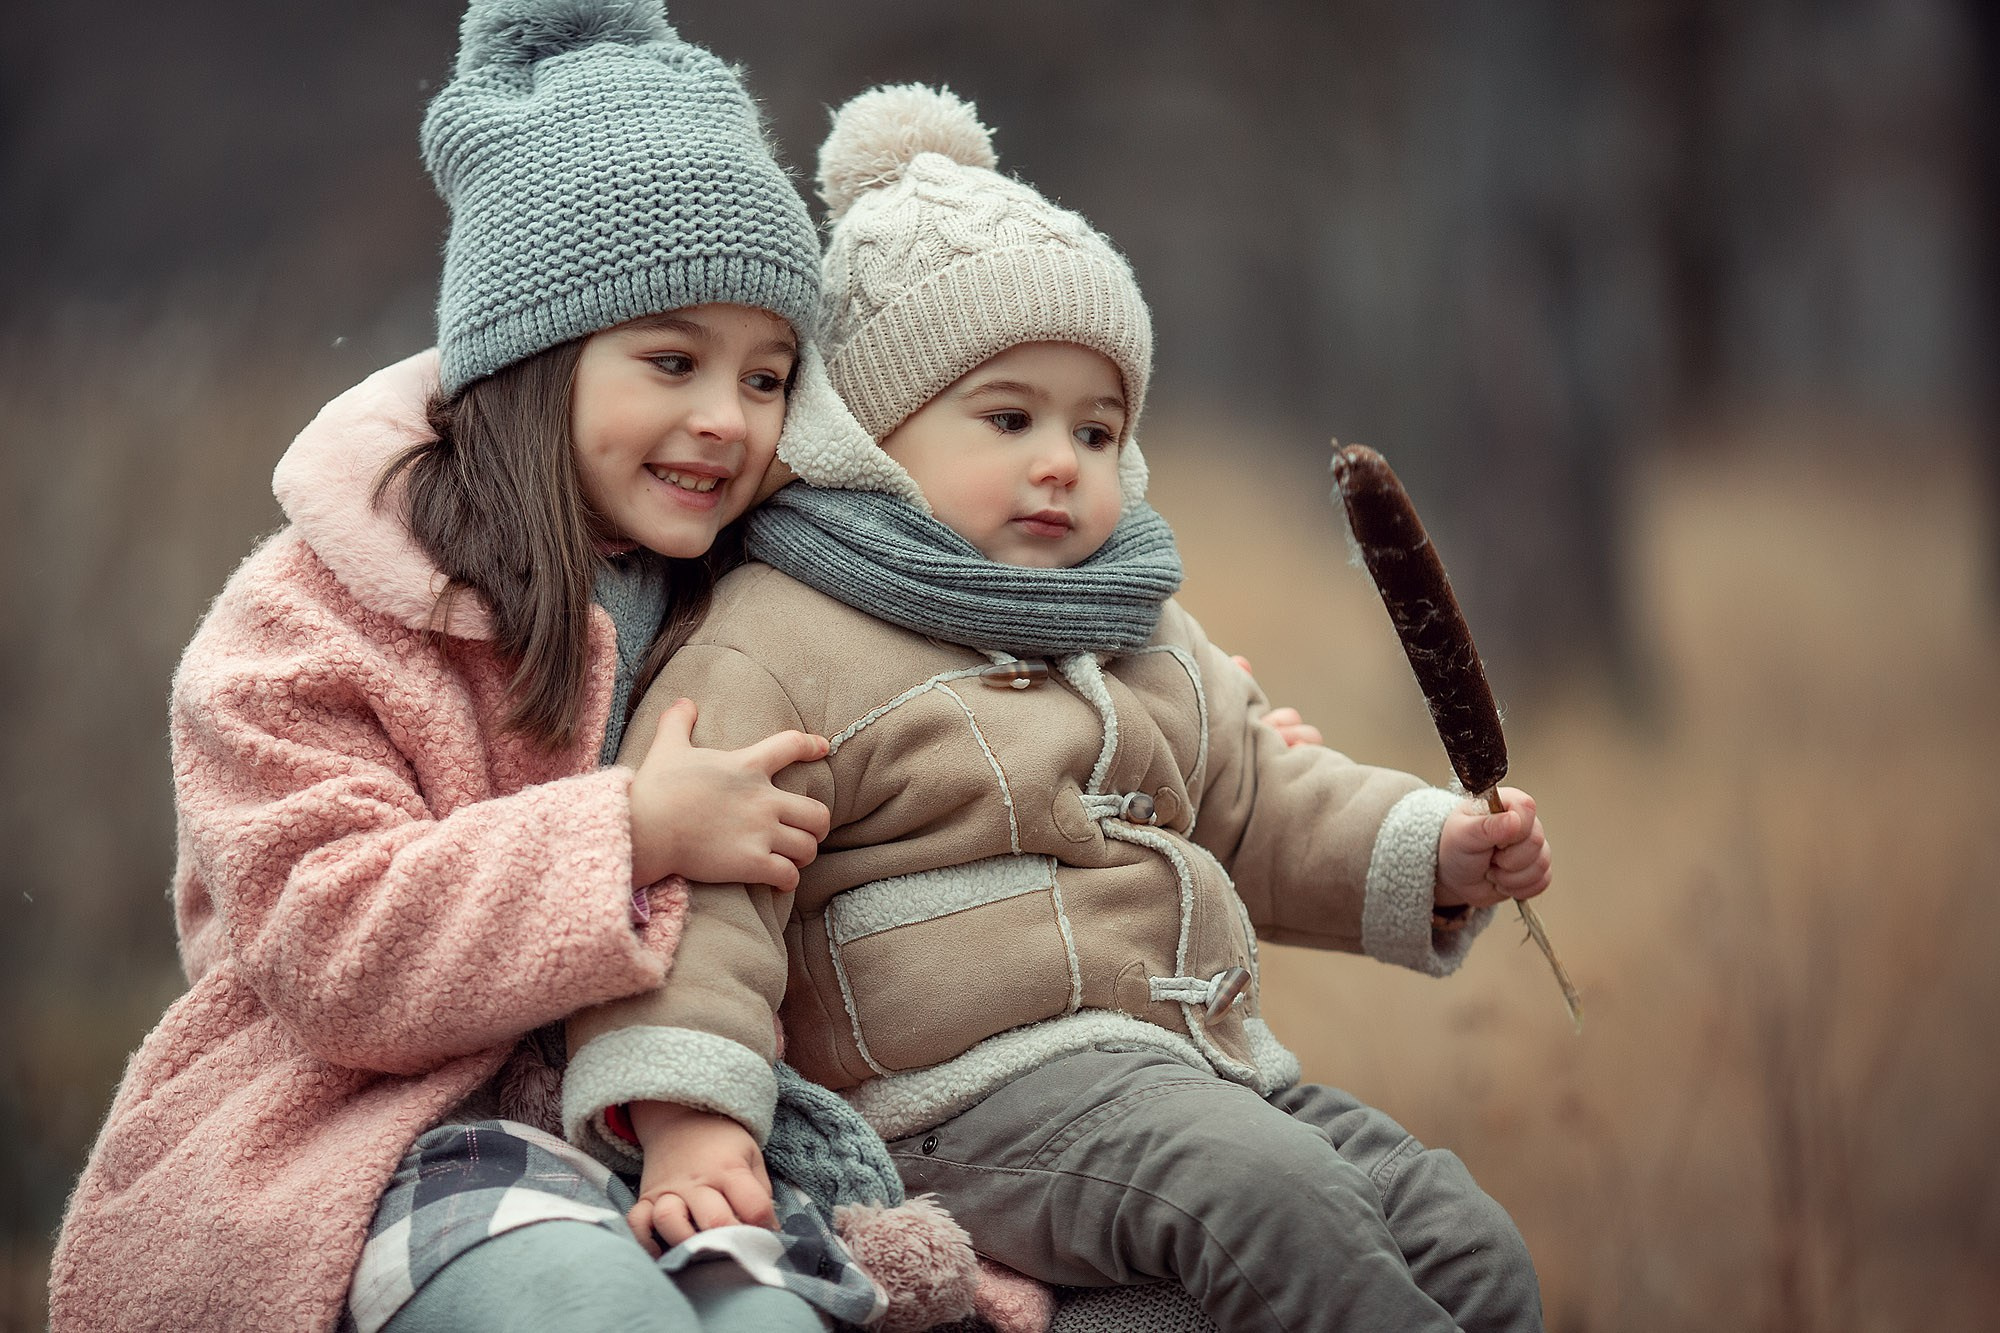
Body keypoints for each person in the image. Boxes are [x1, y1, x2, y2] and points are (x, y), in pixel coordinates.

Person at [562, 86, 1555, 1333]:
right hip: (965, 1101)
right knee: (1275, 1200)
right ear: (869, 431)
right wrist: (692, 1123)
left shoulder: (1134, 626)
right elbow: (699, 904)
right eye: (1009, 417)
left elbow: (1259, 794)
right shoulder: (784, 635)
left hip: (1197, 1066)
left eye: (1096, 428)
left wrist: (1437, 851)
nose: (1059, 462)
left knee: (1464, 1244)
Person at [47, 11, 983, 1333]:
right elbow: (328, 945)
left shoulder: (762, 593)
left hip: (672, 1126)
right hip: (374, 1139)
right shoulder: (316, 615)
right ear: (536, 360)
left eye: (770, 376)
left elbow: (955, 731)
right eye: (671, 360)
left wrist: (1158, 704)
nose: (727, 417)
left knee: (775, 1318)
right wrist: (634, 830)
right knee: (590, 1308)